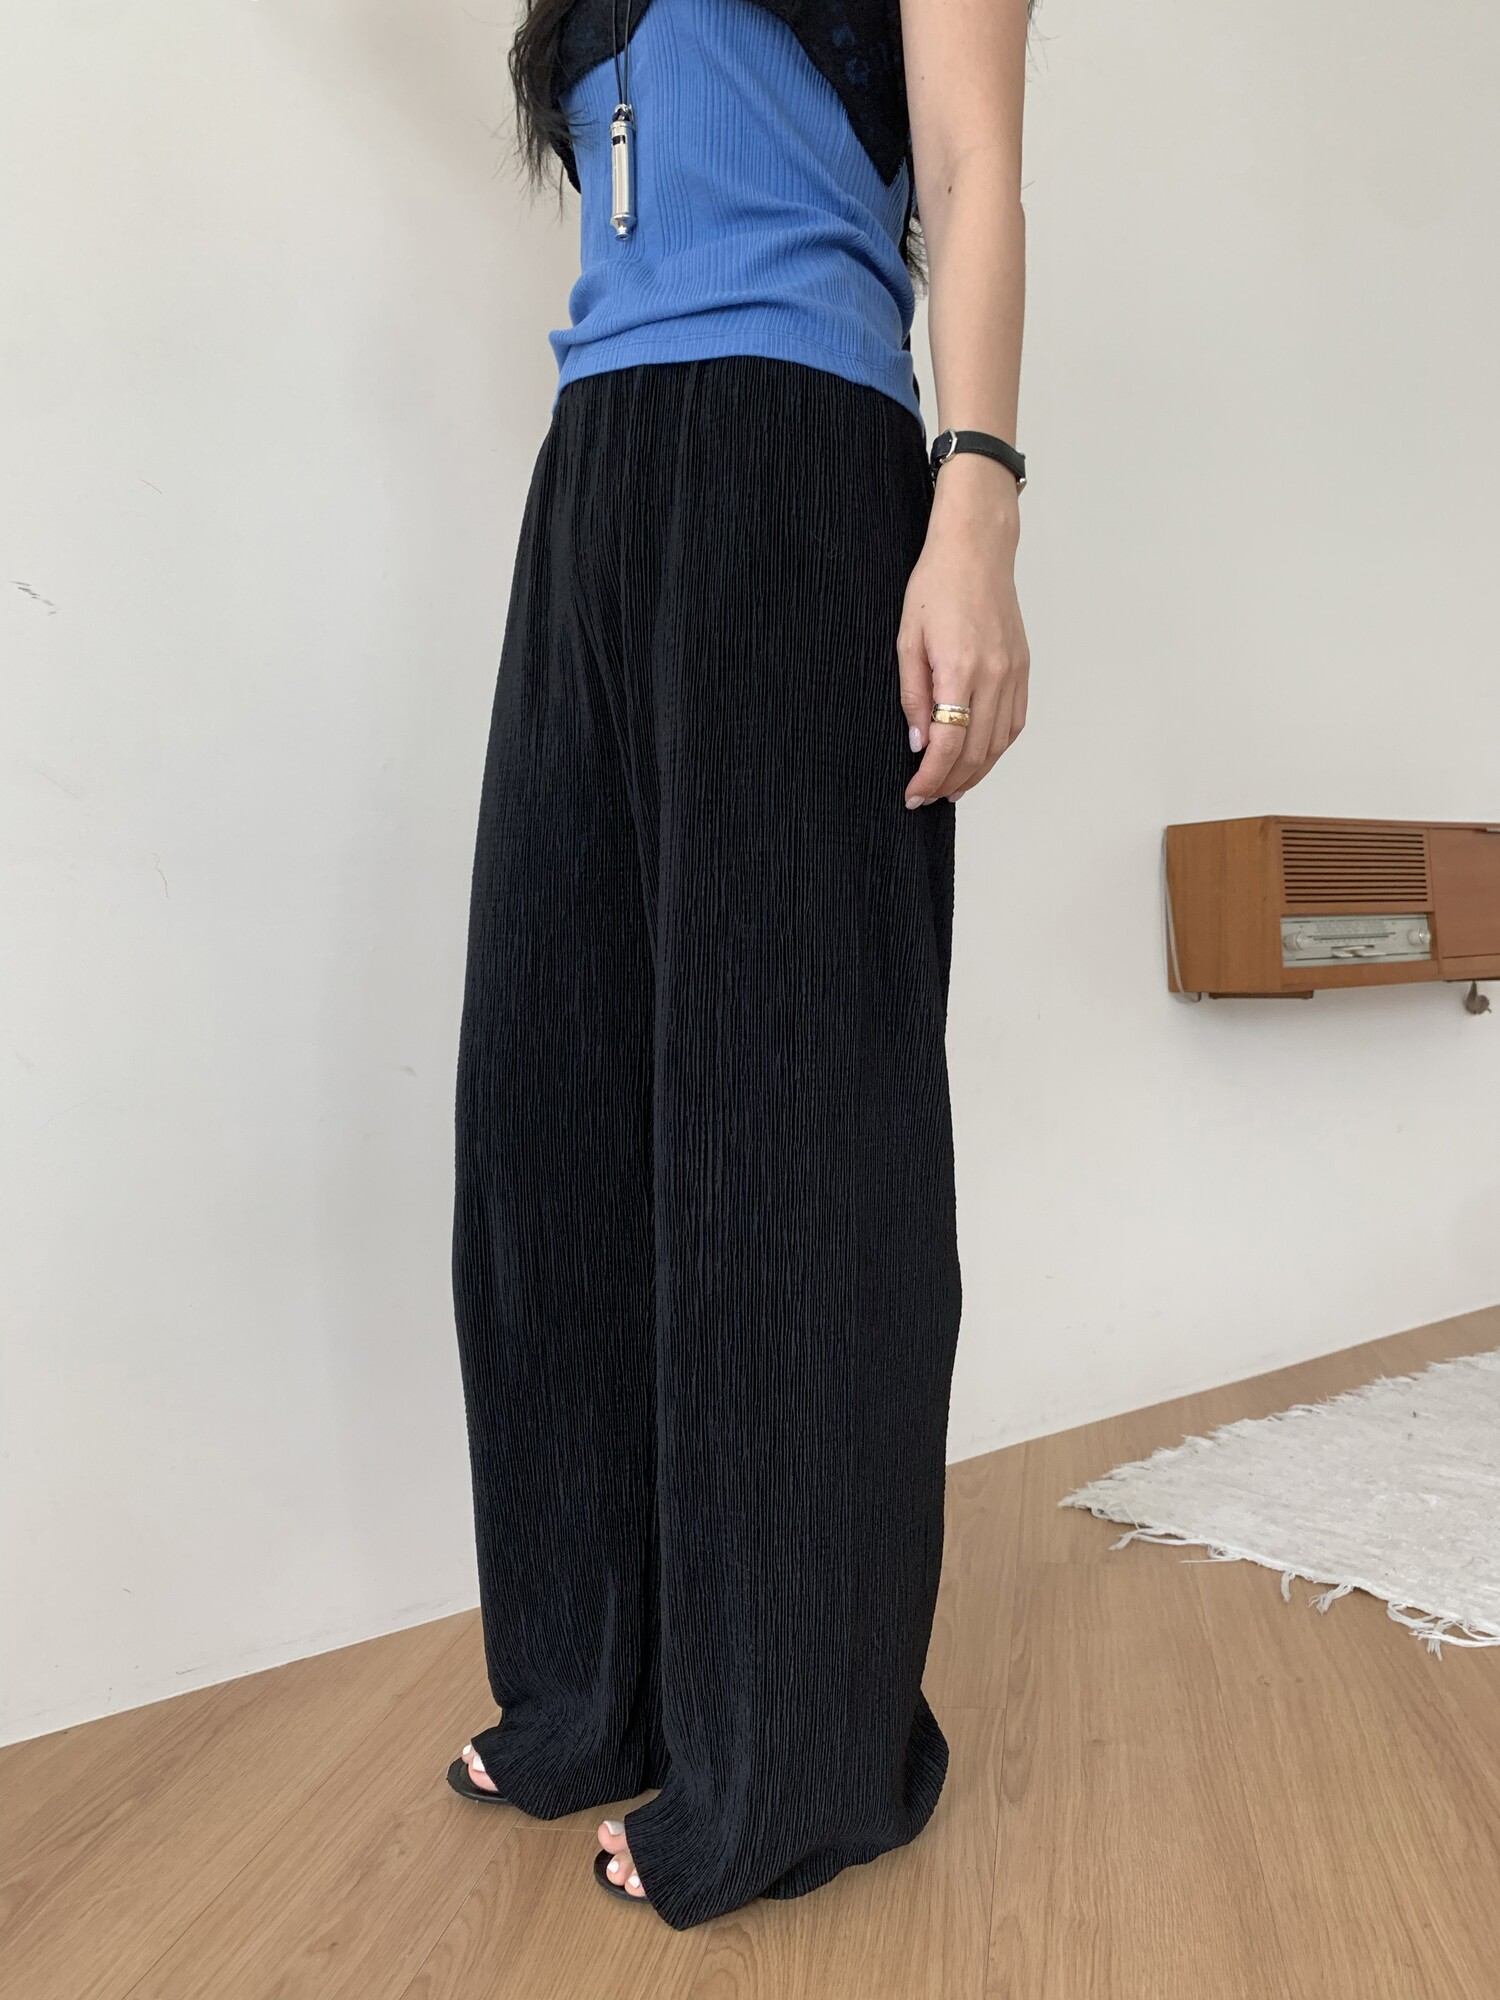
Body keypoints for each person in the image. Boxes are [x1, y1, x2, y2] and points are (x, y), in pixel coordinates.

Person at [445, 0, 1032, 1931]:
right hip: (593, 477)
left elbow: (973, 167)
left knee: (790, 1117)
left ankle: (798, 1750)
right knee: (552, 1114)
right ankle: (598, 1683)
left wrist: (974, 506)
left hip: (800, 452)